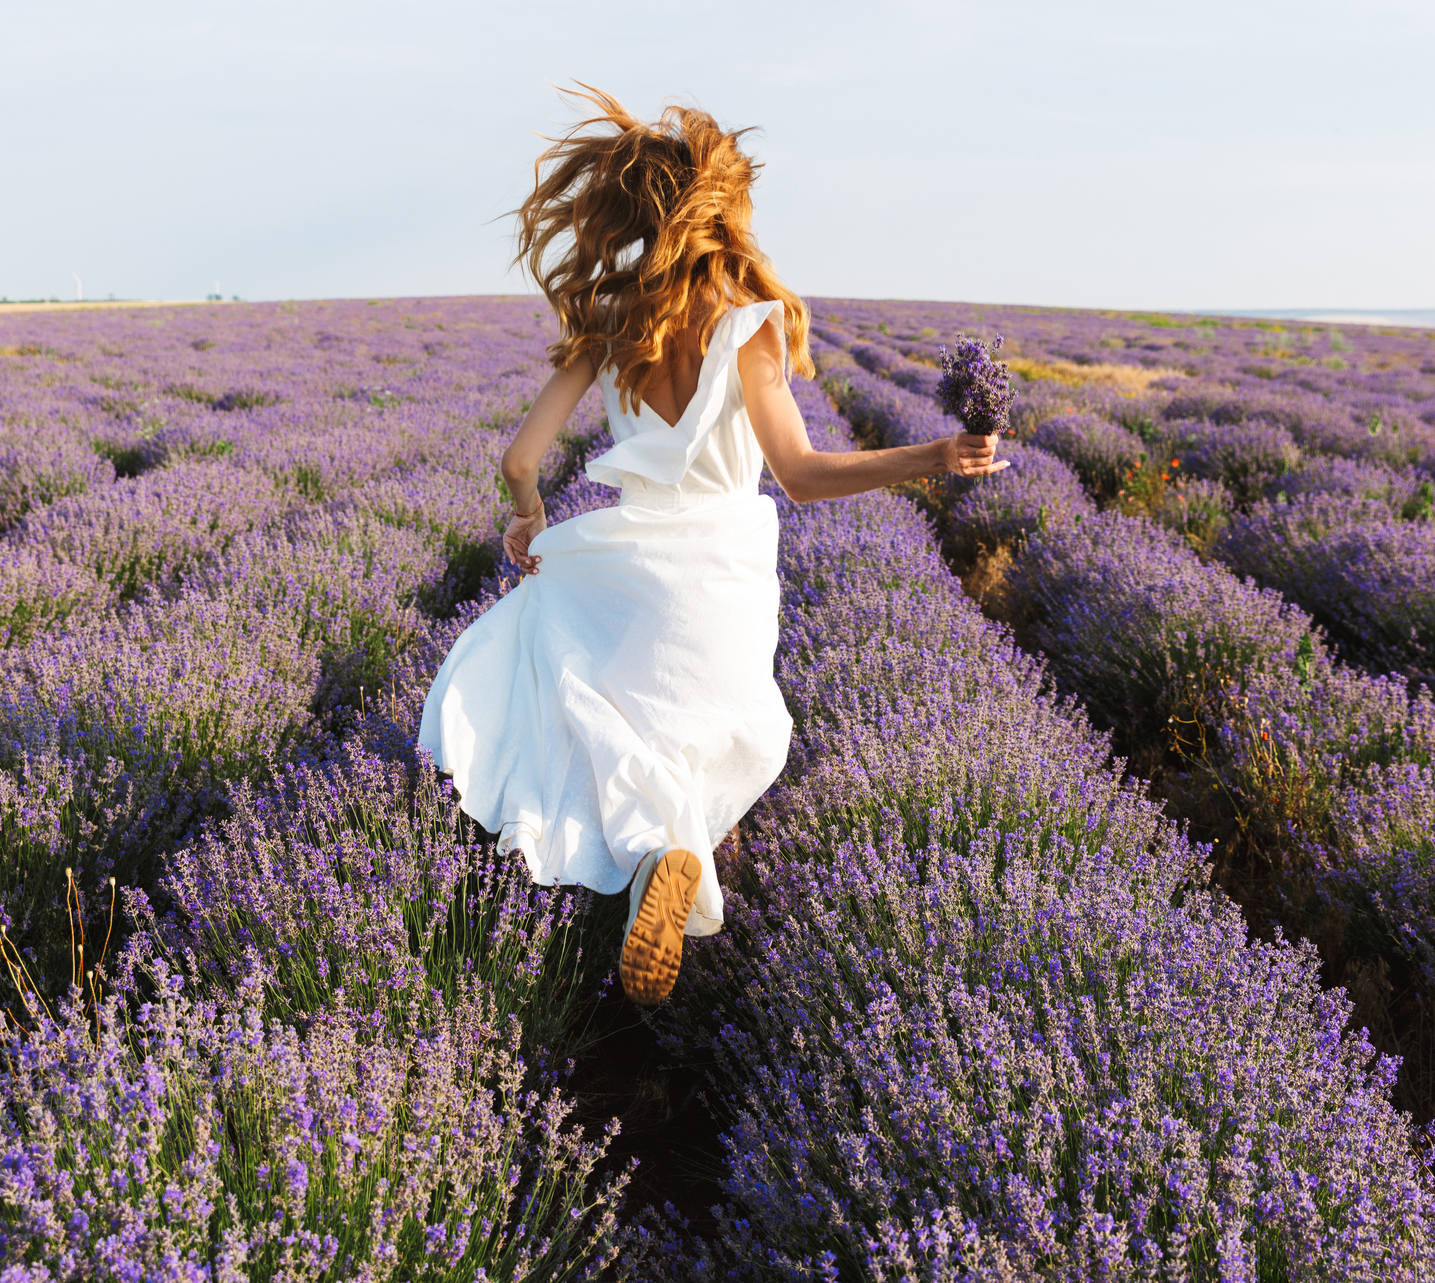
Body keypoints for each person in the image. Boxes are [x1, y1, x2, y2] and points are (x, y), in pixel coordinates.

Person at [419, 88, 1005, 1005]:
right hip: (717, 574)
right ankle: (674, 861)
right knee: (698, 739)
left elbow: (519, 457)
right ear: (720, 210)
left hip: (618, 563)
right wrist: (933, 454)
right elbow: (802, 473)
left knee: (594, 717)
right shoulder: (747, 327)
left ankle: (658, 858)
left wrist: (530, 520)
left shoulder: (609, 320)